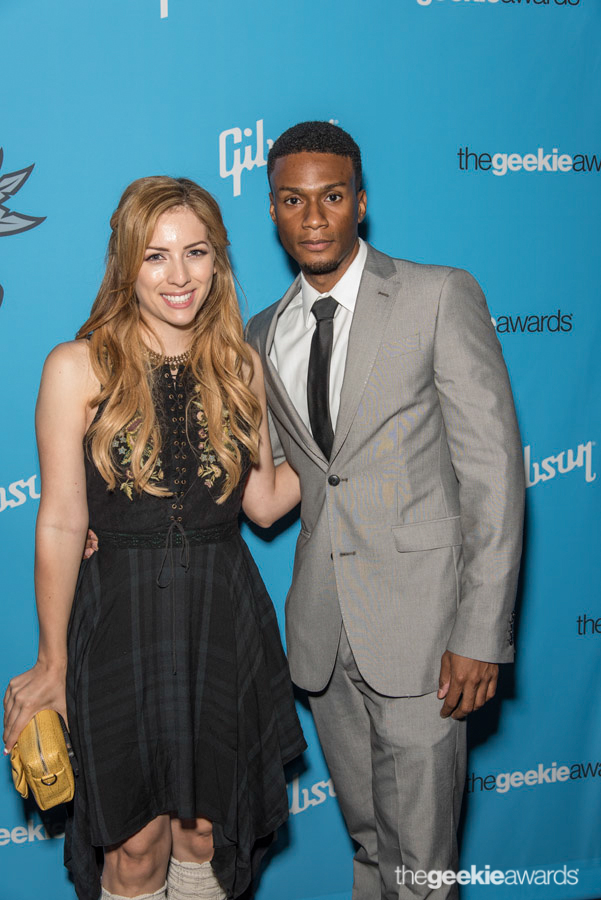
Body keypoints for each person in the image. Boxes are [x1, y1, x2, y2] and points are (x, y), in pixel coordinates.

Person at [2, 176, 305, 900]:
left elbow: (262, 502)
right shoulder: (75, 368)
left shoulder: (240, 367)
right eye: (156, 256)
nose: (179, 276)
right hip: (118, 622)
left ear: (217, 261)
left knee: (203, 833)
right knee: (134, 844)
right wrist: (51, 661)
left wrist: (345, 444)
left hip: (220, 616)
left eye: (195, 253)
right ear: (126, 264)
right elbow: (61, 520)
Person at [245, 121, 525, 899]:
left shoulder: (438, 294)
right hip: (323, 637)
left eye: (331, 197)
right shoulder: (262, 333)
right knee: (371, 848)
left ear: (359, 203)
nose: (312, 217)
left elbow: (492, 472)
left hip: (426, 636)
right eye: (292, 201)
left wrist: (479, 632)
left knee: (423, 866)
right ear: (271, 211)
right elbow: (260, 480)